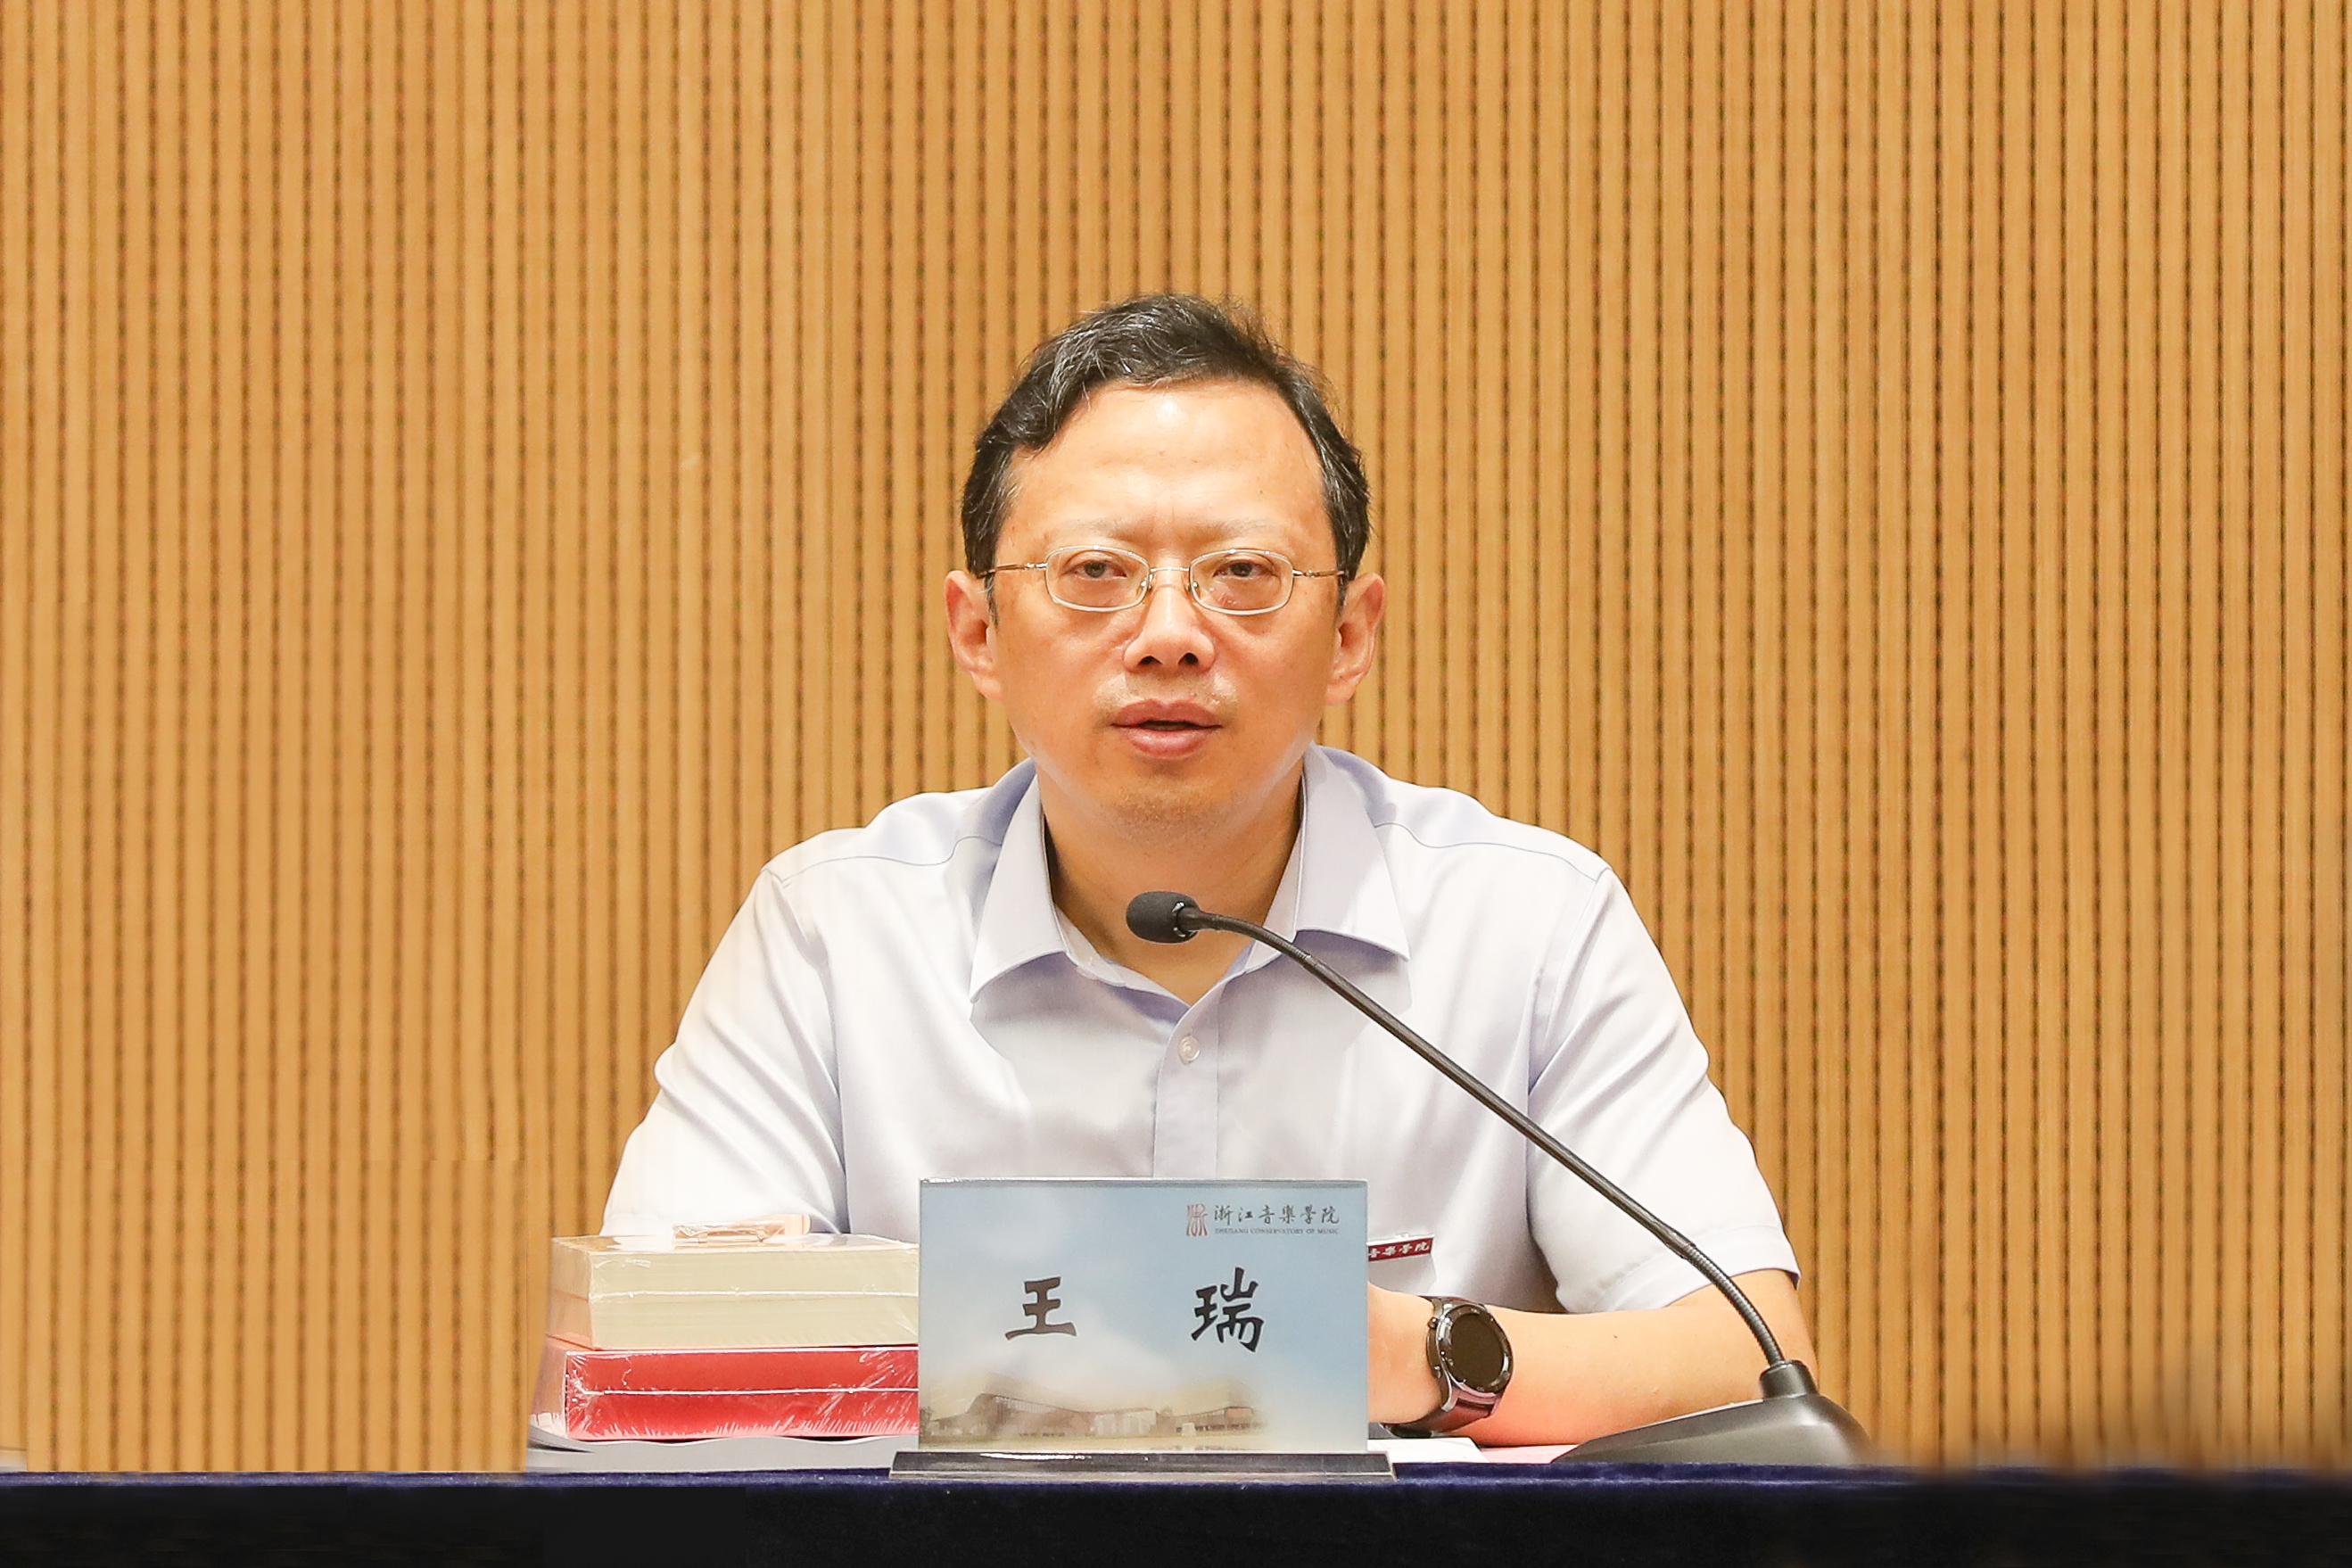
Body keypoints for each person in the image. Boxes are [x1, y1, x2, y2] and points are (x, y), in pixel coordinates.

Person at [601, 293, 1815, 1445]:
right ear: (978, 633)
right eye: (1094, 573)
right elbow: (656, 1367)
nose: (1170, 634)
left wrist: (1400, 1351)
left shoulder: (1526, 923)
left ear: (1350, 635)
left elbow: (1744, 1361)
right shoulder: (834, 934)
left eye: (1243, 573)